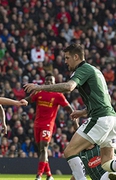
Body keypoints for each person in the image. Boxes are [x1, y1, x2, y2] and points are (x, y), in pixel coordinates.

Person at [24, 44, 116, 180]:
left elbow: (69, 87)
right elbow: (106, 99)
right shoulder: (95, 70)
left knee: (69, 152)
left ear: (76, 57)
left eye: (67, 58)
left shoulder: (83, 69)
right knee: (107, 164)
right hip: (111, 118)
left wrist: (40, 87)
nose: (65, 61)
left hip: (100, 118)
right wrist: (83, 112)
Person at [25, 73, 73, 180]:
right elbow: (28, 100)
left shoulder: (58, 95)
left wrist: (74, 118)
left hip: (48, 125)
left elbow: (68, 108)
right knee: (41, 150)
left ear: (54, 83)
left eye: (51, 81)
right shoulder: (38, 92)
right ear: (44, 82)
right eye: (47, 80)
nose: (49, 82)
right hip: (37, 125)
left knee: (44, 147)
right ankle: (49, 175)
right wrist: (18, 102)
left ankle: (39, 175)